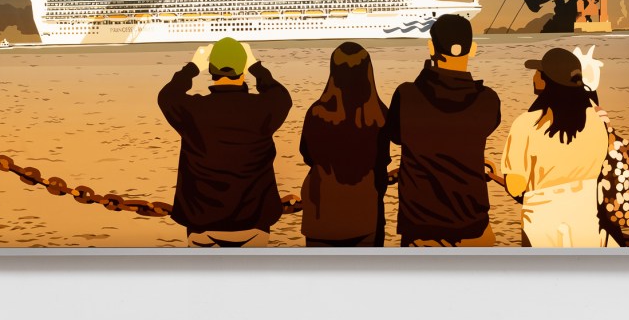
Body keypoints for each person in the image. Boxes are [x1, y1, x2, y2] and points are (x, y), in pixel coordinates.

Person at [158, 37, 292, 247]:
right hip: (254, 219)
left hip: (202, 218)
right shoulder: (264, 108)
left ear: (211, 70)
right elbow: (281, 96)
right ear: (243, 70)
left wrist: (192, 67)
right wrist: (257, 67)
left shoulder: (194, 111)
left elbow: (167, 95)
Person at [389, 15, 501, 247]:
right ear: (473, 49)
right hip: (473, 225)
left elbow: (396, 136)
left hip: (421, 229)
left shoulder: (406, 95)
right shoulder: (488, 100)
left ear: (431, 47)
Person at [501, 46, 614, 248]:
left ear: (547, 80)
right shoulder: (597, 122)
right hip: (586, 219)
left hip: (540, 223)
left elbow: (516, 186)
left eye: (539, 72)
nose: (534, 76)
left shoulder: (526, 124)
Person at [299, 42, 390, 247]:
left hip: (321, 211)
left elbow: (307, 155)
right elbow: (381, 161)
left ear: (333, 72)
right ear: (368, 72)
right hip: (365, 212)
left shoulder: (316, 112)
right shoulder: (379, 114)